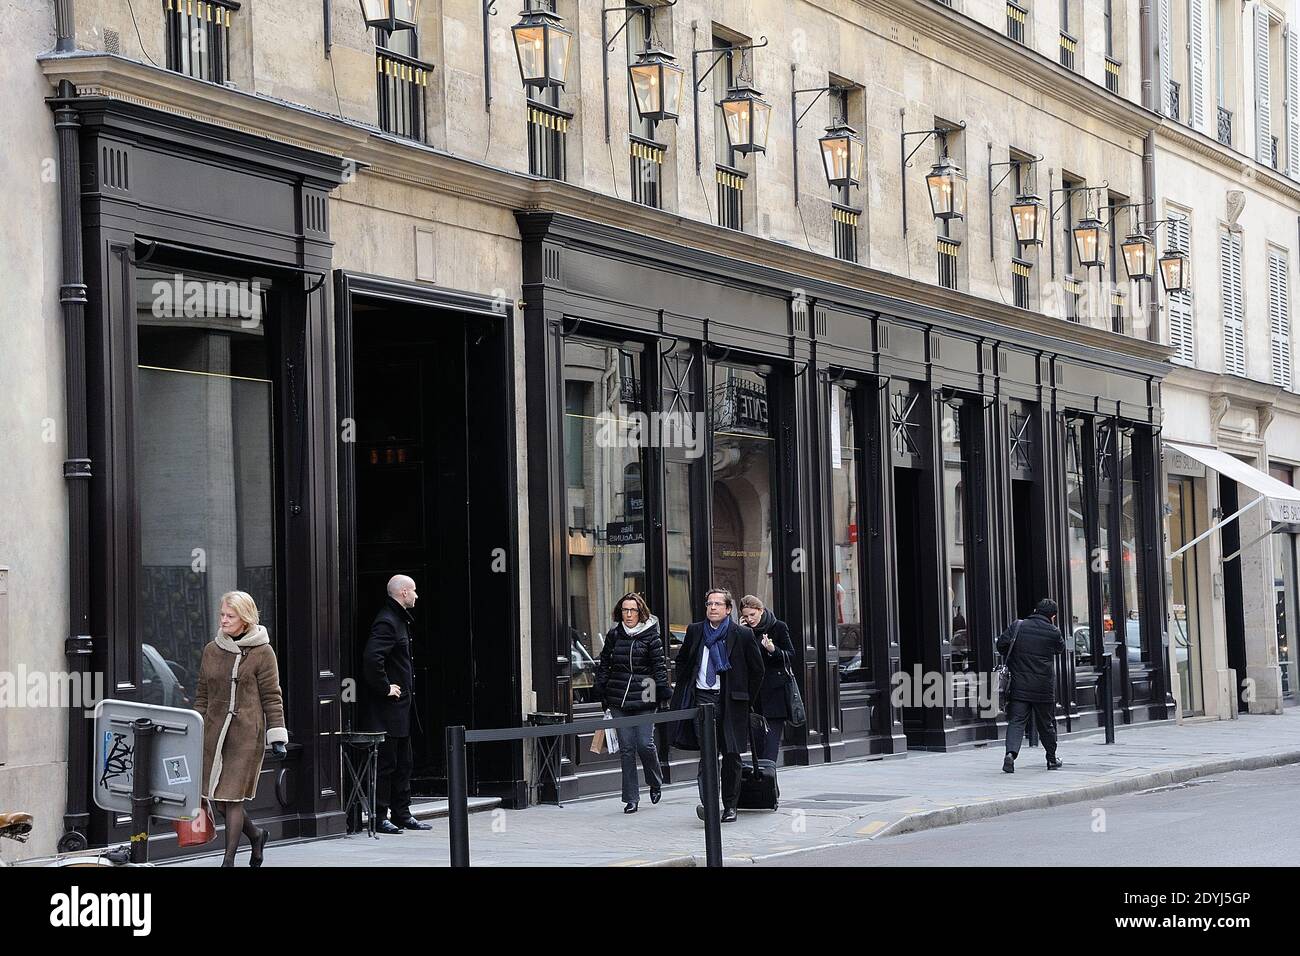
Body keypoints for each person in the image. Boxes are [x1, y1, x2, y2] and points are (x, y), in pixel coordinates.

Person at [195, 590, 287, 867]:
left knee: (232, 798)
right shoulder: (212, 650)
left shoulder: (262, 651)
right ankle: (257, 835)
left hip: (246, 735)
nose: (223, 620)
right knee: (220, 801)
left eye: (230, 616)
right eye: (222, 614)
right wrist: (194, 728)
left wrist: (277, 734)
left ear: (245, 619)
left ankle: (228, 861)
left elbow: (272, 695)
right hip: (214, 734)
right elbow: (201, 694)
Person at [669, 588, 764, 824]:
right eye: (709, 603)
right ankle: (710, 804)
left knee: (731, 755)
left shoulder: (741, 634)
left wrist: (744, 698)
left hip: (731, 702)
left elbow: (757, 670)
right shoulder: (695, 631)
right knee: (708, 753)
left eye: (718, 604)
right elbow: (683, 661)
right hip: (702, 699)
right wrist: (685, 688)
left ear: (728, 609)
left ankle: (730, 805)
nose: (712, 608)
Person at [362, 575, 431, 833]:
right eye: (413, 590)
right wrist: (385, 687)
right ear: (403, 593)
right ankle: (380, 816)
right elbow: (372, 658)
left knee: (404, 762)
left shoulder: (398, 619)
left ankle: (402, 813)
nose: (416, 595)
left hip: (400, 709)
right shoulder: (387, 621)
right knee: (388, 764)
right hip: (387, 710)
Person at [593, 592, 672, 813]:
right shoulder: (614, 635)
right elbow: (604, 663)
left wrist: (663, 692)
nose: (628, 615)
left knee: (645, 744)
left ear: (640, 612)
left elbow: (659, 667)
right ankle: (631, 798)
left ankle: (655, 781)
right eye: (625, 610)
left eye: (632, 610)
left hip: (645, 694)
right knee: (626, 749)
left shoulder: (651, 636)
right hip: (618, 697)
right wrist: (601, 688)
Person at [997, 597, 1067, 773]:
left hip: (1019, 686)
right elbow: (1060, 649)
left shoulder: (1018, 626)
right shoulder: (1053, 632)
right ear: (1052, 616)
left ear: (1036, 611)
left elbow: (1001, 644)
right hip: (1043, 687)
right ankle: (1051, 759)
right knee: (1046, 724)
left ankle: (1010, 755)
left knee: (1017, 721)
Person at [738, 595, 795, 763]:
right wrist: (740, 632)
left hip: (774, 696)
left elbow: (791, 654)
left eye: (752, 615)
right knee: (757, 749)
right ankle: (764, 786)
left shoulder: (778, 627)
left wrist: (772, 649)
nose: (749, 619)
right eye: (746, 616)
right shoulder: (744, 631)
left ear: (761, 611)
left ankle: (770, 784)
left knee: (770, 750)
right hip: (753, 696)